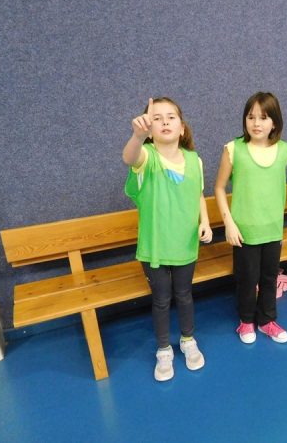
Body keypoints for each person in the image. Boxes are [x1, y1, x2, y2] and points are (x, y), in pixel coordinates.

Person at [123, 97, 212, 382]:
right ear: (149, 129)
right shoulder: (147, 157)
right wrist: (137, 136)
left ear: (182, 127)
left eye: (171, 117)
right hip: (156, 248)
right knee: (161, 300)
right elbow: (130, 157)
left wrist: (205, 221)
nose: (164, 122)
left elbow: (198, 194)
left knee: (184, 295)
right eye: (157, 118)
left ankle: (188, 340)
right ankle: (163, 349)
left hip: (185, 244)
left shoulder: (195, 160)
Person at [215, 92, 287, 344]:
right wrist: (229, 223)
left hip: (273, 230)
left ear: (275, 122)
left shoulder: (285, 151)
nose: (256, 123)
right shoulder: (233, 149)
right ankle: (246, 320)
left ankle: (267, 320)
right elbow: (219, 188)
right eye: (251, 117)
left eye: (263, 117)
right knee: (247, 279)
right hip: (244, 231)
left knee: (269, 278)